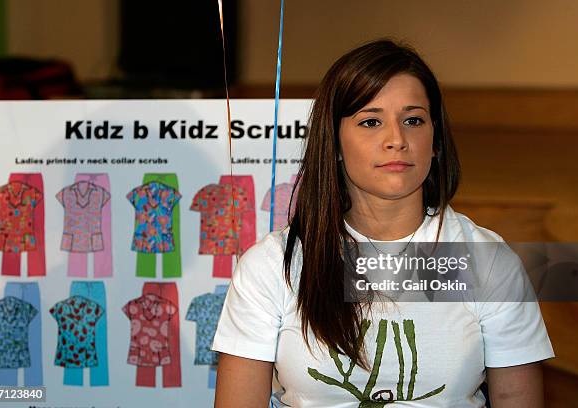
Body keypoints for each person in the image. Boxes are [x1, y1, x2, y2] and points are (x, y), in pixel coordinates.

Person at [211, 39, 555, 407]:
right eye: (371, 121)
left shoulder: (487, 260)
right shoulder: (271, 265)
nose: (396, 139)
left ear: (435, 140)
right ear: (335, 143)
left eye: (413, 120)